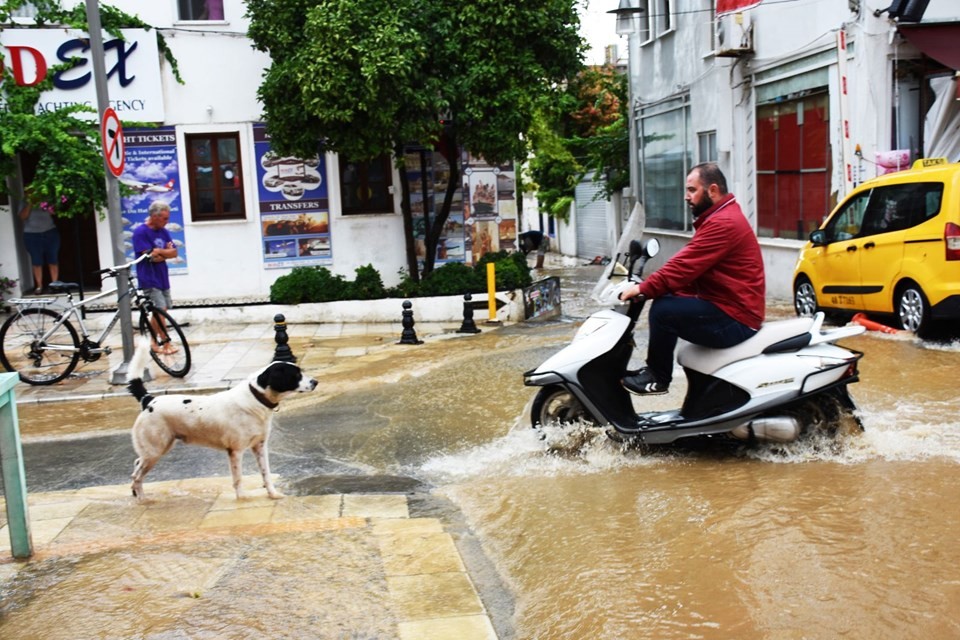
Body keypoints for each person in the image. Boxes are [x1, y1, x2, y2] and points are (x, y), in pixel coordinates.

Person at [619, 162, 765, 395]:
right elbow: (692, 271)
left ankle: (658, 377)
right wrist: (653, 287)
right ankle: (655, 372)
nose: (686, 197)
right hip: (731, 307)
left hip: (737, 317)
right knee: (668, 297)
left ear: (713, 190)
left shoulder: (723, 223)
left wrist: (645, 288)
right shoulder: (719, 218)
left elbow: (684, 266)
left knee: (663, 311)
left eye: (692, 190)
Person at [133, 201, 178, 352]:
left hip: (162, 276)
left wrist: (161, 252)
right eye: (164, 218)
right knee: (161, 309)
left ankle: (153, 341)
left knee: (159, 311)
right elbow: (150, 256)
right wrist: (163, 252)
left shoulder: (163, 231)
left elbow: (174, 252)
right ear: (154, 216)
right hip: (149, 277)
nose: (167, 222)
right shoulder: (141, 232)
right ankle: (165, 343)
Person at [19, 188, 60, 294]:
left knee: (52, 260)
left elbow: (53, 212)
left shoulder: (45, 200)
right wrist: (30, 203)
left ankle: (54, 284)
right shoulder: (24, 201)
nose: (32, 193)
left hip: (49, 232)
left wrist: (44, 203)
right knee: (36, 261)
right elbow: (23, 216)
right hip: (32, 235)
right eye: (29, 191)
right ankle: (39, 286)